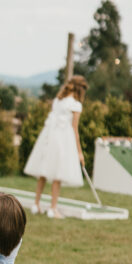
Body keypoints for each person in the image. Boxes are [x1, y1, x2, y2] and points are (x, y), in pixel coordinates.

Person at [24, 75, 87, 219]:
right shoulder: (75, 105)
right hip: (63, 140)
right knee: (58, 173)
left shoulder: (58, 101)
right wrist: (79, 152)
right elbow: (75, 129)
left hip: (48, 137)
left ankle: (36, 204)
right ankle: (53, 209)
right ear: (80, 89)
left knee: (44, 171)